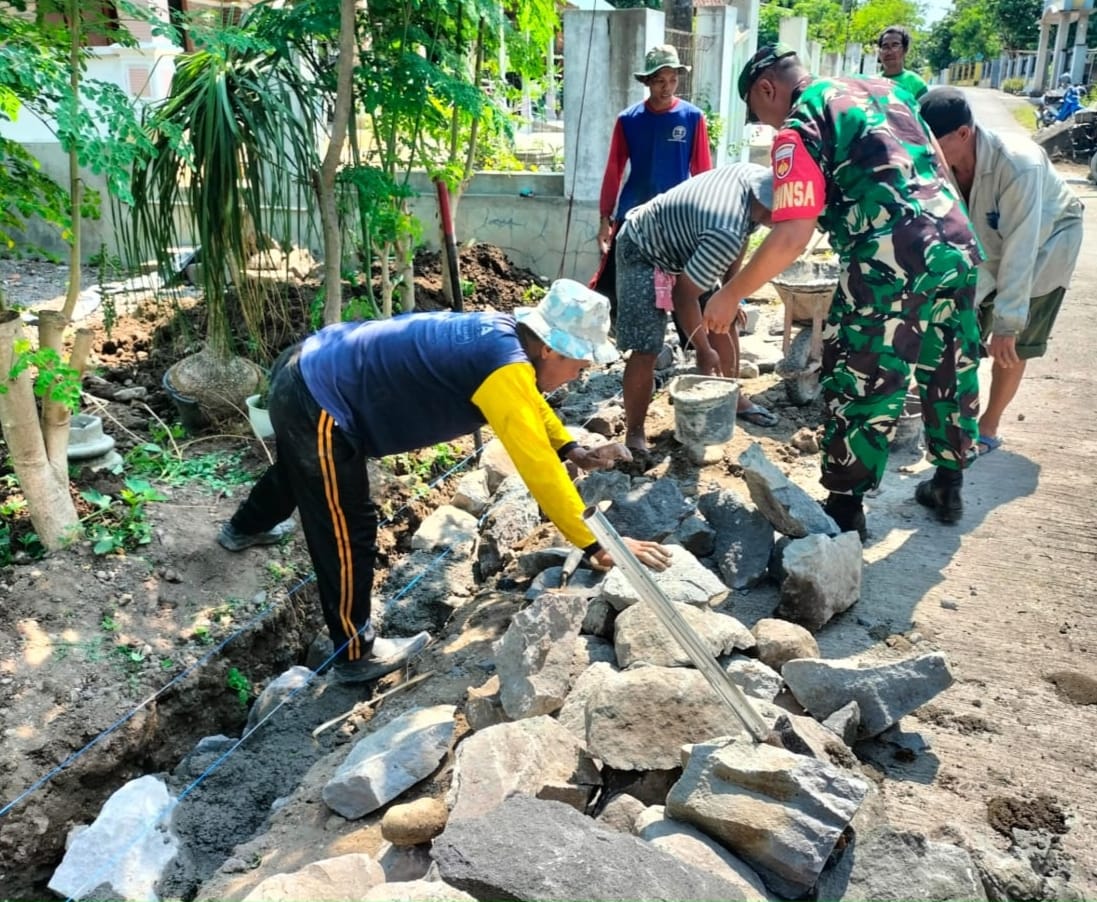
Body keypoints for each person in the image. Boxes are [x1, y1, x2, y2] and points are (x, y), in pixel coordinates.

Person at [217, 281, 672, 684]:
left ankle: (243, 528)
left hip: (312, 369)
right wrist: (596, 544)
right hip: (317, 395)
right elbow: (536, 466)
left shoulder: (509, 339)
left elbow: (529, 407)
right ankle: (355, 655)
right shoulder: (506, 366)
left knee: (303, 469)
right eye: (579, 363)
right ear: (551, 348)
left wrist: (570, 449)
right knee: (344, 524)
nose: (580, 373)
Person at [703, 44, 985, 537]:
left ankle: (845, 511)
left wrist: (731, 294)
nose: (768, 128)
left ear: (768, 89)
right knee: (950, 362)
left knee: (864, 375)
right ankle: (948, 482)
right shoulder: (890, 90)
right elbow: (939, 166)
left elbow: (793, 234)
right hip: (955, 243)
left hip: (887, 259)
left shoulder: (802, 122)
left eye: (760, 115)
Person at [919, 87, 1084, 455]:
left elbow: (1021, 249)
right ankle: (954, 418)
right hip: (988, 244)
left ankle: (988, 425)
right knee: (958, 326)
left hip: (1047, 242)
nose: (927, 154)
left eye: (934, 144)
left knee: (1013, 344)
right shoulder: (940, 163)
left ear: (964, 134)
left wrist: (1007, 323)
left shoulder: (1018, 165)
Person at [615, 164, 779, 452]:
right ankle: (635, 432)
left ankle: (732, 397)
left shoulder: (756, 183)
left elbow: (744, 235)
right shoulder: (724, 230)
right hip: (642, 247)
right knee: (647, 346)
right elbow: (683, 297)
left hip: (686, 243)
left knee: (724, 317)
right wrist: (704, 351)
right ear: (772, 212)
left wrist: (732, 293)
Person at [591, 44, 712, 319]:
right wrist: (604, 219)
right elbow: (614, 170)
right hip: (635, 211)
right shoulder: (628, 120)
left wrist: (707, 216)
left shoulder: (692, 117)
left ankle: (695, 341)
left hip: (678, 212)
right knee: (616, 280)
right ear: (647, 81)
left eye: (673, 80)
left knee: (691, 283)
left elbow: (703, 170)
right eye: (659, 81)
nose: (667, 87)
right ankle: (620, 333)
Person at [877, 26, 928, 100]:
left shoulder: (917, 84)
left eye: (895, 46)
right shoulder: (872, 82)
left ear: (905, 50)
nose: (889, 52)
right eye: (885, 47)